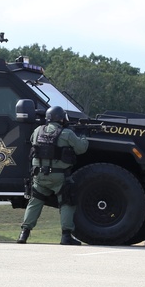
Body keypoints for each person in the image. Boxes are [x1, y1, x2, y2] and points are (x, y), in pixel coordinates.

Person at [18, 105, 89, 245]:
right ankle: (66, 236)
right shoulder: (67, 133)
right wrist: (83, 136)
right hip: (59, 177)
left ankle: (23, 234)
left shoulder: (38, 131)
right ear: (61, 119)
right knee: (67, 201)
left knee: (35, 202)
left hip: (39, 176)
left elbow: (34, 142)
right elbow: (81, 149)